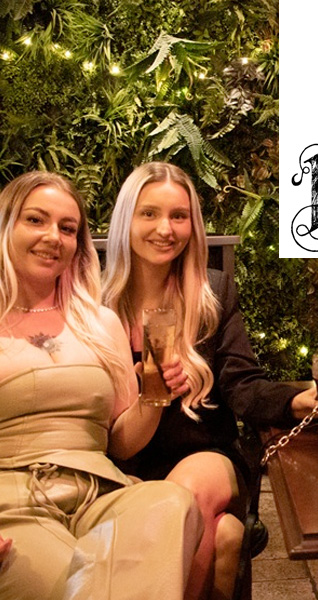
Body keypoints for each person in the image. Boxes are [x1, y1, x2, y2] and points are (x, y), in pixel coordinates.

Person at [102, 162, 318, 600]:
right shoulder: (94, 305)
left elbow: (242, 384)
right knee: (221, 534)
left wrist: (293, 401)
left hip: (205, 455)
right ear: (127, 220)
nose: (165, 229)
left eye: (179, 216)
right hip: (125, 464)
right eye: (149, 214)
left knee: (183, 499)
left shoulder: (213, 293)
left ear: (193, 225)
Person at [0, 171, 203, 599]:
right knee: (73, 581)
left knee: (172, 503)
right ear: (6, 225)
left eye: (67, 228)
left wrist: (154, 396)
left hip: (100, 491)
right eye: (35, 220)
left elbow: (123, 445)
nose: (53, 237)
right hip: (13, 503)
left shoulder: (99, 321)